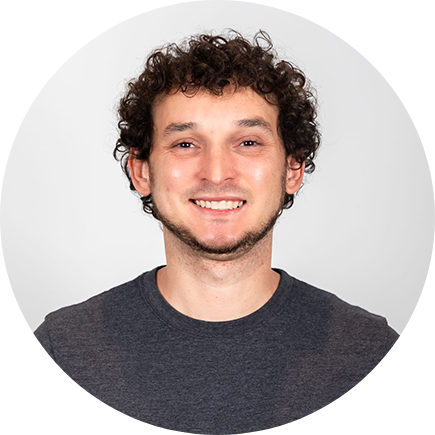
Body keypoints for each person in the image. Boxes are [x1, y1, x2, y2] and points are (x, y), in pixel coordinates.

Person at [0, 30, 432, 434]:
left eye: (248, 142)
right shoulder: (58, 356)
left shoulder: (376, 360)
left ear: (293, 169)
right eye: (186, 144)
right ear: (142, 171)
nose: (217, 172)